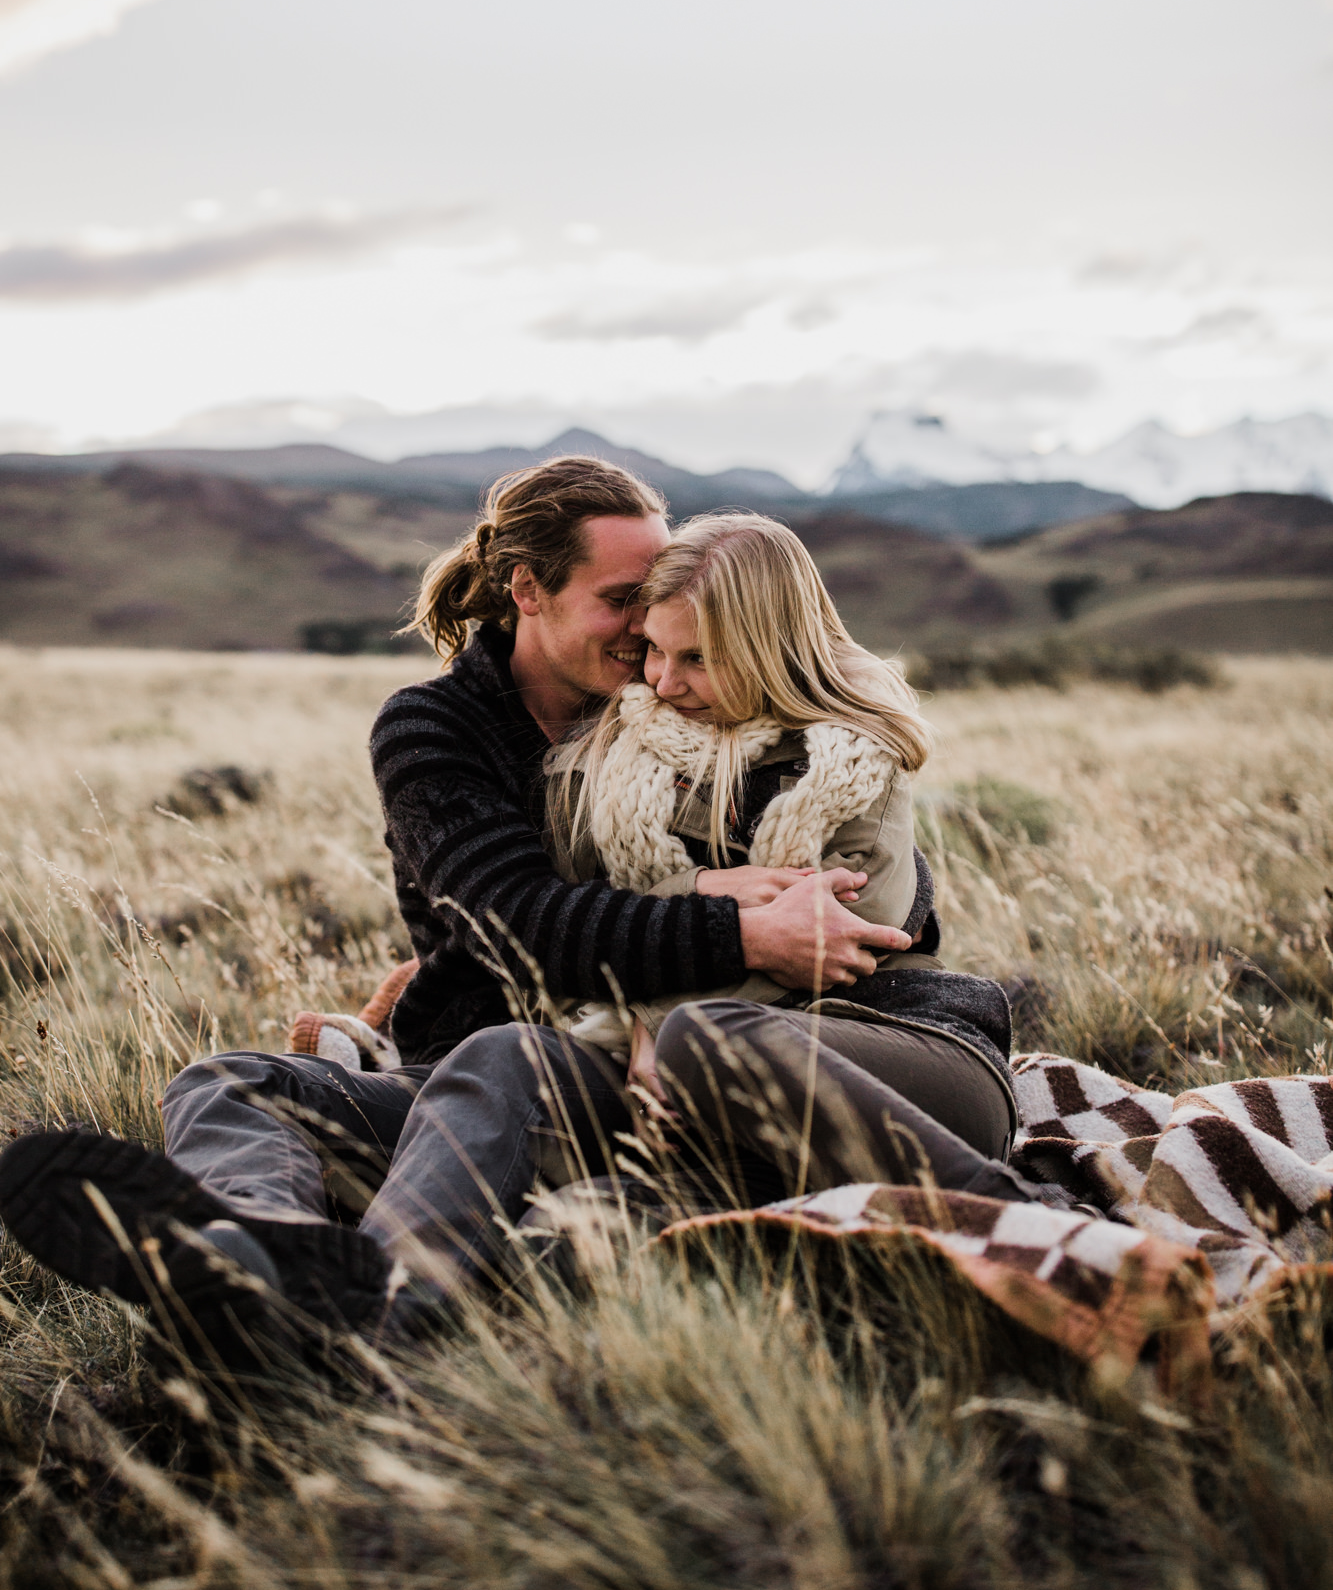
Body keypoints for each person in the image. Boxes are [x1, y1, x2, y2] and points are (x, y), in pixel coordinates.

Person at [0, 457, 911, 1362]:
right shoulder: (438, 727)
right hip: (468, 1065)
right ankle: (268, 1261)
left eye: (661, 597)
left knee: (504, 1061)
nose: (649, 630)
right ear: (528, 590)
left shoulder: (685, 704)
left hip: (593, 1064)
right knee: (230, 1081)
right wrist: (732, 923)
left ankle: (361, 1312)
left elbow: (851, 855)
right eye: (625, 596)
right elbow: (514, 923)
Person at [538, 513, 1028, 1216]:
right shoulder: (613, 757)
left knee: (704, 1037)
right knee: (568, 1166)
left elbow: (842, 938)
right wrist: (704, 889)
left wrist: (656, 1019)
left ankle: (1017, 1210)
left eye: (698, 658)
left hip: (897, 1055)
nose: (662, 681)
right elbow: (578, 917)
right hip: (718, 1104)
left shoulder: (856, 755)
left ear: (770, 648)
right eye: (653, 648)